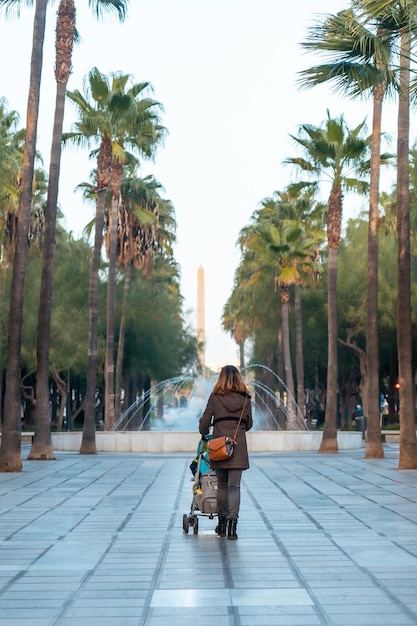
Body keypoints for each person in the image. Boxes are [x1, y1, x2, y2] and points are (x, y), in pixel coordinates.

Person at [199, 365, 252, 540]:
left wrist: (207, 430)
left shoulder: (215, 398)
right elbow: (249, 424)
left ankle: (221, 524)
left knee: (221, 486)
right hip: (238, 447)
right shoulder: (245, 399)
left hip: (219, 446)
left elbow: (204, 423)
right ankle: (232, 527)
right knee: (234, 487)